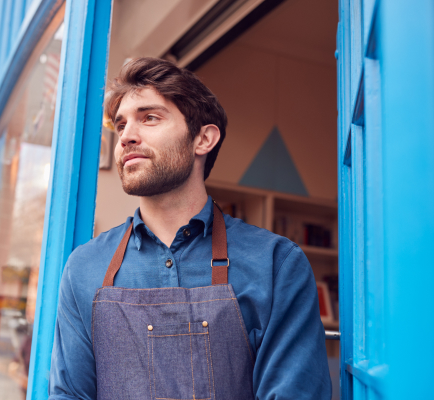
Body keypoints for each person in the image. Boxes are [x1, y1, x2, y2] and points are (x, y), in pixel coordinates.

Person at [48, 57, 331, 399]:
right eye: (121, 125)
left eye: (149, 118)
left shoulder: (276, 264)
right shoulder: (85, 267)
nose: (126, 137)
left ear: (203, 139)